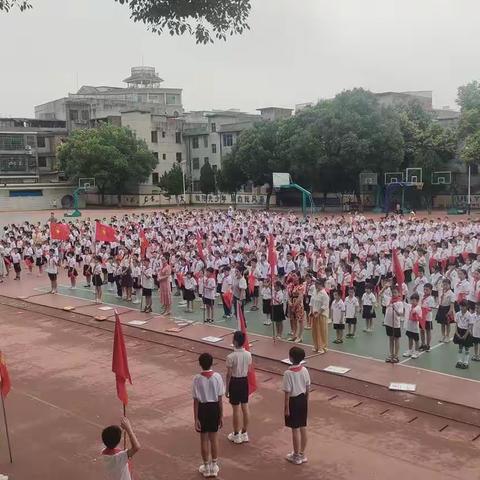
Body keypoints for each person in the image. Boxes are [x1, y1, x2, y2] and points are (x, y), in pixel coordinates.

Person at [192, 352, 225, 478]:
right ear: (212, 363)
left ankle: (206, 467)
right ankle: (214, 466)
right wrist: (221, 415)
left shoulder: (196, 378)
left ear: (200, 364)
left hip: (202, 408)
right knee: (214, 438)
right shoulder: (217, 377)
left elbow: (195, 400)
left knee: (204, 439)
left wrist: (196, 419)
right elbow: (220, 399)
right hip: (214, 408)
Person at [283, 346, 310, 465]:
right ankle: (302, 453)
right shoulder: (304, 370)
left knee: (295, 429)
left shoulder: (288, 373)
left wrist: (286, 408)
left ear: (290, 358)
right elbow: (308, 387)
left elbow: (287, 392)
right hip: (303, 399)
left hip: (293, 401)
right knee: (303, 427)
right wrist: (306, 400)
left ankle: (296, 455)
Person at [226, 331, 252, 444]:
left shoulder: (231, 356)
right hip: (244, 381)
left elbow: (229, 374)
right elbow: (249, 369)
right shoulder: (248, 354)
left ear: (235, 341)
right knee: (245, 407)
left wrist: (226, 388)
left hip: (235, 382)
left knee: (236, 409)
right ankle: (245, 433)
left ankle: (236, 434)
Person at [383, 285, 404, 363]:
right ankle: (391, 354)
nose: (393, 294)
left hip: (395, 324)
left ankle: (396, 356)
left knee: (396, 339)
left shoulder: (399, 303)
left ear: (398, 293)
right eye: (392, 292)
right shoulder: (389, 300)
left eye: (395, 292)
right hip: (388, 323)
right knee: (391, 339)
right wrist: (384, 287)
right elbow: (381, 294)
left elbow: (400, 314)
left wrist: (395, 309)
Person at [309, 279, 329, 354]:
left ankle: (323, 347)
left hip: (321, 315)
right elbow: (311, 302)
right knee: (314, 331)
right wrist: (311, 312)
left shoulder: (324, 294)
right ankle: (316, 345)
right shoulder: (314, 291)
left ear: (321, 284)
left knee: (322, 331)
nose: (315, 285)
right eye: (315, 284)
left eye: (317, 284)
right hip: (314, 314)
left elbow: (325, 305)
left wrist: (319, 313)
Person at [453, 299, 474, 369]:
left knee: (467, 348)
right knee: (460, 347)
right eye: (460, 306)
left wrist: (465, 335)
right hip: (459, 331)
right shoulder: (457, 314)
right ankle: (459, 361)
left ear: (467, 306)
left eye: (463, 306)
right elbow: (456, 324)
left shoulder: (469, 315)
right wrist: (456, 333)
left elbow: (469, 327)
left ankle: (466, 362)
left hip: (466, 332)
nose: (461, 308)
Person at [435, 278, 455, 343]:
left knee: (447, 324)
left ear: (449, 285)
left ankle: (447, 336)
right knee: (442, 323)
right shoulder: (441, 291)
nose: (445, 286)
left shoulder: (451, 294)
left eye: (446, 285)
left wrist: (450, 312)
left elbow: (452, 304)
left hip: (447, 309)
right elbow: (440, 300)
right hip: (441, 308)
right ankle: (443, 335)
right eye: (443, 285)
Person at [403, 293, 422, 359]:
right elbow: (404, 303)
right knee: (410, 338)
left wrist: (413, 311)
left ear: (417, 301)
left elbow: (415, 311)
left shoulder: (418, 308)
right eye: (412, 300)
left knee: (416, 340)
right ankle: (410, 350)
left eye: (414, 301)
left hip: (415, 327)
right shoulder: (409, 306)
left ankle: (416, 352)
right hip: (409, 326)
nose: (412, 302)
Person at [419, 283, 436, 351]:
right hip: (421, 317)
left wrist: (424, 309)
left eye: (427, 290)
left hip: (428, 318)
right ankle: (423, 344)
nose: (425, 291)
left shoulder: (431, 298)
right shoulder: (422, 297)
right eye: (424, 289)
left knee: (428, 331)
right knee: (421, 330)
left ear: (431, 290)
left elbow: (431, 308)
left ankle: (428, 345)